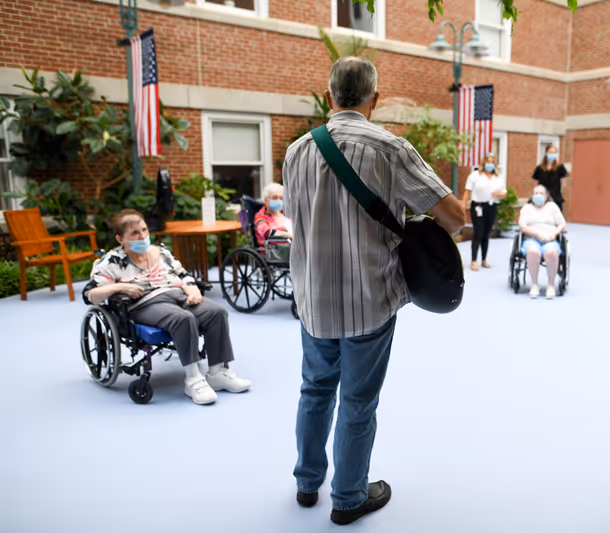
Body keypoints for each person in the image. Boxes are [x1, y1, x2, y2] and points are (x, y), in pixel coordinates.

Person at [282, 57, 465, 525]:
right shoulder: (390, 148)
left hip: (313, 298)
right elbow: (455, 217)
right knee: (358, 401)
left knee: (314, 389)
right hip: (369, 297)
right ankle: (347, 498)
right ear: (374, 99)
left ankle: (307, 484)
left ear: (329, 98)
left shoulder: (297, 151)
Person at [82, 209, 251, 405]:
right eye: (135, 233)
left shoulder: (161, 251)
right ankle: (193, 378)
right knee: (182, 319)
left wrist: (192, 289)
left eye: (144, 230)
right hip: (145, 303)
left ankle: (217, 373)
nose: (143, 236)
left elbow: (183, 274)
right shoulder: (112, 261)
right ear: (120, 238)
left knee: (217, 312)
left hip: (177, 294)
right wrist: (122, 286)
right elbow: (90, 294)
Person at [518, 185, 566, 299]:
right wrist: (537, 234)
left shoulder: (552, 207)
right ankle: (534, 284)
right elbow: (522, 226)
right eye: (536, 193)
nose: (538, 196)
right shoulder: (527, 208)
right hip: (531, 239)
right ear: (532, 196)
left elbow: (562, 224)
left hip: (550, 238)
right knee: (533, 252)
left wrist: (554, 233)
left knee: (552, 253)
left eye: (541, 193)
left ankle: (550, 285)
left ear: (546, 196)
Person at [462, 153, 507, 272]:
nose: (490, 164)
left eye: (492, 162)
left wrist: (498, 194)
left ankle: (483, 260)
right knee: (478, 233)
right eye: (488, 162)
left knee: (486, 234)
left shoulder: (498, 177)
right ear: (484, 163)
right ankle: (473, 261)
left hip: (491, 207)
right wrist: (463, 205)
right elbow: (467, 191)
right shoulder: (475, 175)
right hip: (478, 207)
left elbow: (504, 193)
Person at [532, 144, 568, 212]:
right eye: (550, 152)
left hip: (556, 199)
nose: (552, 154)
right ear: (546, 153)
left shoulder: (560, 167)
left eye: (554, 153)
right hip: (542, 200)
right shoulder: (540, 168)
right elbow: (535, 183)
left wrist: (558, 192)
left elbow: (563, 182)